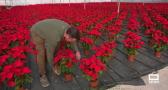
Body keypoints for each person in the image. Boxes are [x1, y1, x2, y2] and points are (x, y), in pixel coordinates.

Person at [30, 19, 81, 87]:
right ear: (67, 35)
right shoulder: (54, 37)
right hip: (36, 32)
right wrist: (53, 66)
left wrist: (77, 51)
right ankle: (42, 75)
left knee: (57, 46)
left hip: (48, 30)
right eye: (70, 40)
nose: (71, 41)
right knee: (41, 53)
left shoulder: (69, 29)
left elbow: (73, 39)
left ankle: (53, 62)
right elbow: (50, 53)